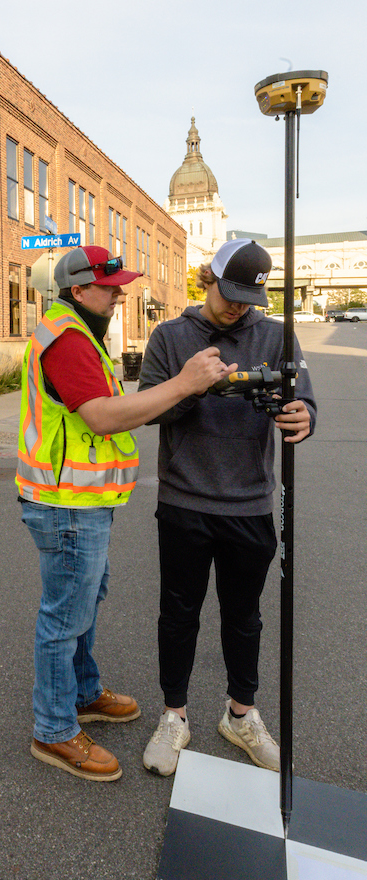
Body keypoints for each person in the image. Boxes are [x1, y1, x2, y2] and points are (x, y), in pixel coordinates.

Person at [17, 245, 234, 782]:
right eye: (109, 286)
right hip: (66, 504)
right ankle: (54, 729)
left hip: (82, 501)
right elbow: (103, 417)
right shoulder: (67, 340)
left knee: (83, 603)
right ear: (77, 289)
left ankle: (84, 693)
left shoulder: (79, 332)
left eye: (120, 285)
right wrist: (183, 384)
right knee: (64, 617)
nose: (119, 294)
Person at [138, 238, 316, 777]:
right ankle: (174, 716)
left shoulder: (276, 335)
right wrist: (191, 385)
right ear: (206, 279)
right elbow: (149, 408)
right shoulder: (170, 336)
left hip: (250, 502)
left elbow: (303, 398)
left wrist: (304, 416)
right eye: (229, 293)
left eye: (248, 297)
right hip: (185, 500)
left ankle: (241, 714)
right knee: (179, 614)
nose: (237, 306)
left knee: (245, 617)